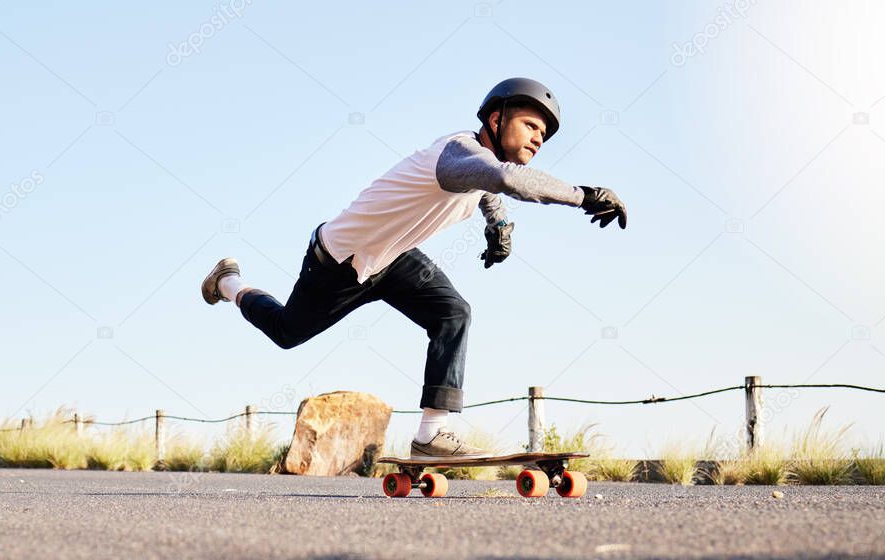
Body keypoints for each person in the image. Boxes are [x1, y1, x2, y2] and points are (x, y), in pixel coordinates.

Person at [201, 77, 627, 459]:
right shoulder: (458, 153)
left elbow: (487, 188)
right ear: (496, 119)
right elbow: (505, 179)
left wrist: (497, 227)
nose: (539, 139)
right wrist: (584, 195)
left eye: (545, 135)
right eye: (532, 126)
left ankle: (431, 435)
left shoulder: (475, 164)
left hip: (394, 258)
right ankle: (229, 282)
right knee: (286, 333)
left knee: (453, 313)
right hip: (338, 261)